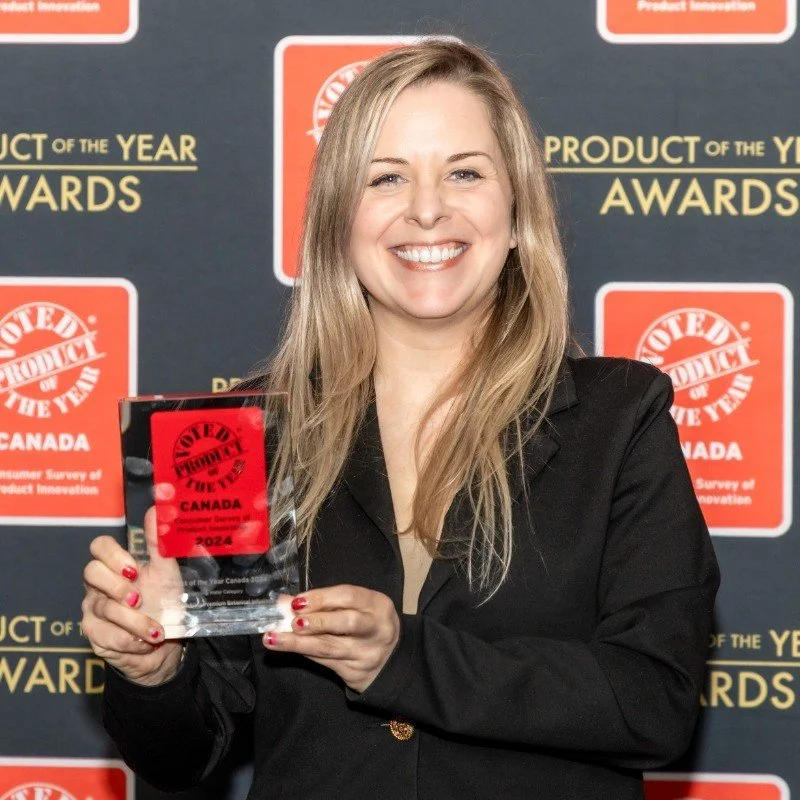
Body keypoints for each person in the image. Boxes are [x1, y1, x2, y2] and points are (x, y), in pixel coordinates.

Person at [82, 39, 719, 800]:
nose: (426, 208)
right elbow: (184, 754)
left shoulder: (620, 417)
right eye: (386, 177)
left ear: (518, 213)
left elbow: (653, 701)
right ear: (338, 221)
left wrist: (404, 660)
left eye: (465, 173)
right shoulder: (246, 433)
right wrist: (154, 671)